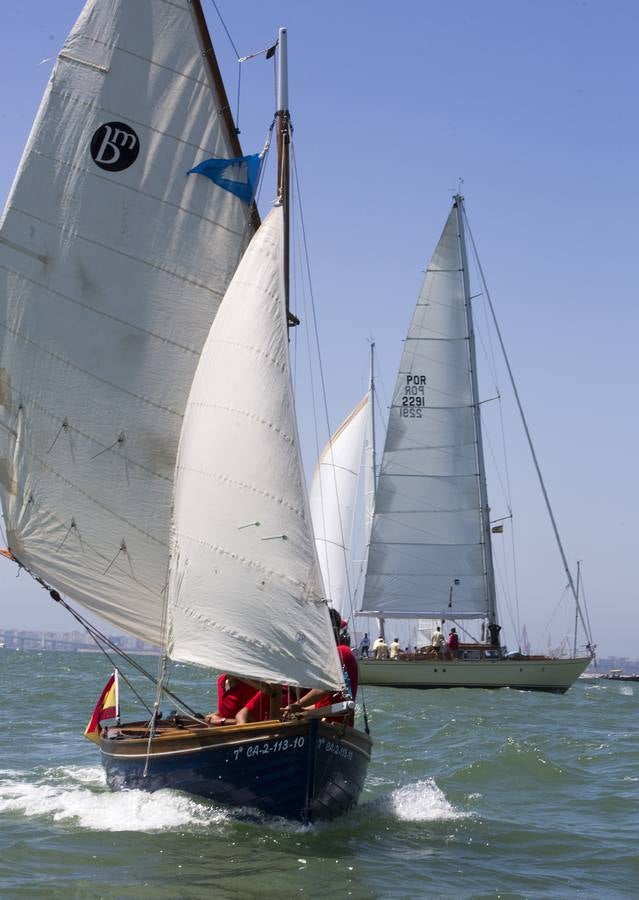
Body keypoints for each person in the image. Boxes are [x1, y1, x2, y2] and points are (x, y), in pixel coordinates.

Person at [282, 607, 359, 726]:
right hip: (332, 727)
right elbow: (325, 704)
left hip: (334, 728)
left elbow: (323, 689)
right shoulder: (340, 653)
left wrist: (296, 705)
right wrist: (302, 711)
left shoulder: (340, 652)